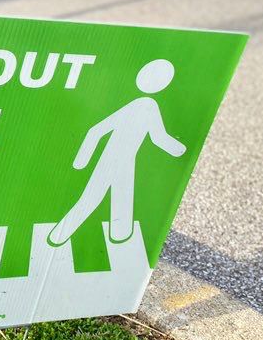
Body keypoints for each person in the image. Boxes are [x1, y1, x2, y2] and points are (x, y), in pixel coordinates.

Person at [47, 59, 186, 247]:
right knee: (92, 197)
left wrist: (178, 150)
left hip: (128, 161)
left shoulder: (145, 105)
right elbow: (97, 130)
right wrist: (81, 160)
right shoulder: (144, 106)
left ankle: (121, 233)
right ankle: (59, 235)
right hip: (111, 159)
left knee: (123, 195)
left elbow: (156, 137)